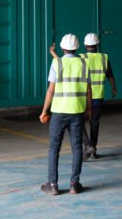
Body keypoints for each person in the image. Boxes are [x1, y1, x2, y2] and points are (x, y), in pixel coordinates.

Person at [39, 34, 92, 195]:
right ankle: (74, 184)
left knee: (54, 148)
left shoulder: (57, 62)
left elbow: (51, 89)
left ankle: (53, 185)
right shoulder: (84, 63)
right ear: (77, 48)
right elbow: (88, 90)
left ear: (63, 48)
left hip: (59, 113)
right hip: (76, 112)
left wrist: (44, 111)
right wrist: (89, 110)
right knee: (77, 148)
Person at [81, 33, 117, 160]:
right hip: (98, 96)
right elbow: (110, 76)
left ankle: (87, 146)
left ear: (85, 45)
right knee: (94, 124)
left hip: (83, 98)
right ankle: (93, 149)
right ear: (97, 44)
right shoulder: (104, 58)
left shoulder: (81, 58)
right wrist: (114, 88)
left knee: (78, 122)